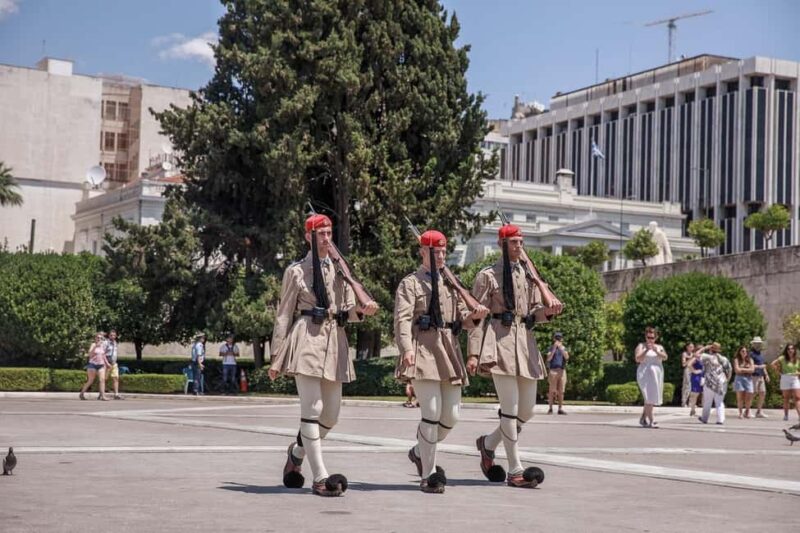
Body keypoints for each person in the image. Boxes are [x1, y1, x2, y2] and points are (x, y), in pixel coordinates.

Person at [269, 214, 378, 497]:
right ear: (308, 237)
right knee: (313, 409)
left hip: (334, 340)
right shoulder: (296, 271)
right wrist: (276, 355)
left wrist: (362, 311)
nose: (326, 238)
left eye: (329, 233)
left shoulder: (340, 270)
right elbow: (283, 315)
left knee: (331, 415)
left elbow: (349, 311)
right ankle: (321, 477)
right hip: (307, 336)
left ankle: (296, 453)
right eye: (320, 234)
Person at [468, 223, 562, 489]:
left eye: (521, 242)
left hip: (525, 342)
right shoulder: (488, 276)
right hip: (499, 340)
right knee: (508, 410)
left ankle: (487, 444)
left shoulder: (529, 275)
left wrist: (550, 311)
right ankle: (515, 470)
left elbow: (533, 312)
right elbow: (477, 317)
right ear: (502, 245)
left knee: (527, 410)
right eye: (514, 242)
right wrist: (473, 353)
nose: (519, 246)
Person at [395, 229, 488, 494]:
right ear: (423, 252)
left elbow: (463, 319)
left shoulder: (452, 282)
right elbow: (402, 319)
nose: (441, 256)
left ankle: (418, 451)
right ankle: (429, 474)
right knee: (432, 413)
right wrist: (405, 349)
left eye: (444, 251)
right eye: (436, 252)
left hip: (448, 348)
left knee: (452, 415)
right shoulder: (410, 283)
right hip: (422, 347)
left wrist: (476, 316)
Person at [634, 327, 667, 428]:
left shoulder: (659, 347)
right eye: (648, 337)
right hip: (644, 373)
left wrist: (656, 351)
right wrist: (646, 350)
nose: (650, 339)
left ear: (656, 337)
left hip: (656, 373)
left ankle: (643, 418)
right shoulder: (641, 346)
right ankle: (652, 420)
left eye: (652, 337)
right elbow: (637, 359)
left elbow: (665, 357)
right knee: (648, 397)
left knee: (651, 397)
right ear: (645, 337)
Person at [695, 342, 732, 425]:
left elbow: (696, 354)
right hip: (721, 382)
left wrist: (704, 348)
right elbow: (730, 369)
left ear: (711, 349)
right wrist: (727, 380)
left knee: (707, 401)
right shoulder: (724, 359)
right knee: (719, 402)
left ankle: (704, 418)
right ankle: (720, 419)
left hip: (709, 382)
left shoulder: (707, 357)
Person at [770, 344, 800, 422]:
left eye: (792, 349)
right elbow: (772, 364)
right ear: (786, 350)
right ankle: (786, 415)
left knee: (797, 397)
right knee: (786, 398)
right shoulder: (782, 358)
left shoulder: (797, 359)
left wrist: (798, 373)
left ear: (794, 350)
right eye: (788, 349)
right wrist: (778, 372)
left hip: (794, 378)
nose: (790, 350)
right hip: (785, 378)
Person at [79, 332, 110, 401]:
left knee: (102, 380)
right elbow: (90, 354)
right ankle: (81, 393)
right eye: (98, 338)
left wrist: (107, 363)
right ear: (95, 338)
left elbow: (103, 355)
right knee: (90, 381)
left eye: (101, 338)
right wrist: (96, 346)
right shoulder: (93, 345)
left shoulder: (102, 345)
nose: (99, 339)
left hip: (101, 365)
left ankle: (103, 396)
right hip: (92, 365)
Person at [546, 332, 569, 415]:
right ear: (554, 339)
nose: (558, 340)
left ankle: (560, 408)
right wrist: (554, 348)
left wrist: (561, 348)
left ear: (562, 339)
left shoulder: (564, 348)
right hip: (553, 371)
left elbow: (566, 357)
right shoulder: (551, 348)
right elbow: (549, 358)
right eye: (557, 338)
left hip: (562, 371)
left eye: (559, 338)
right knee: (551, 391)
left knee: (561, 391)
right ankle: (550, 408)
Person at [748, 336, 770, 418]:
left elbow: (763, 365)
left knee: (762, 393)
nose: (758, 345)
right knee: (753, 393)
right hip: (754, 376)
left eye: (759, 344)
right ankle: (748, 410)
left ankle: (759, 411)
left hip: (760, 376)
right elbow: (751, 365)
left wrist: (766, 374)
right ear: (753, 344)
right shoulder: (751, 354)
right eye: (756, 343)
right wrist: (760, 367)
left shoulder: (760, 354)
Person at [732, 346, 755, 419]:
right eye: (742, 351)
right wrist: (746, 369)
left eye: (745, 351)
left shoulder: (750, 360)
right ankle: (740, 413)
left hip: (748, 379)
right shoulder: (736, 360)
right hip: (739, 379)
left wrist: (742, 369)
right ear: (739, 352)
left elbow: (752, 370)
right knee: (740, 397)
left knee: (749, 395)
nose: (744, 352)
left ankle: (747, 411)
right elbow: (737, 370)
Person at [104, 329, 123, 400]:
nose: (113, 336)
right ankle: (101, 394)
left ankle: (116, 394)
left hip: (114, 363)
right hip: (107, 364)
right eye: (111, 335)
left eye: (114, 335)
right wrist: (106, 363)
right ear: (109, 335)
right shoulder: (106, 343)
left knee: (116, 378)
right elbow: (103, 353)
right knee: (104, 379)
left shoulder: (115, 343)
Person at [687, 352, 704, 417]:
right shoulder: (695, 358)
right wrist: (694, 371)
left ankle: (704, 411)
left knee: (704, 394)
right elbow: (689, 365)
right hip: (696, 377)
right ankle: (692, 410)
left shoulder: (703, 358)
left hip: (703, 377)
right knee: (695, 394)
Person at [680, 342, 696, 407]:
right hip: (687, 370)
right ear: (687, 347)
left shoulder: (693, 354)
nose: (691, 348)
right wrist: (691, 358)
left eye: (692, 347)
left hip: (693, 370)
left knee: (693, 387)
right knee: (687, 386)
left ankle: (691, 403)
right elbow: (683, 364)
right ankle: (684, 402)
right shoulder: (684, 354)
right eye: (690, 347)